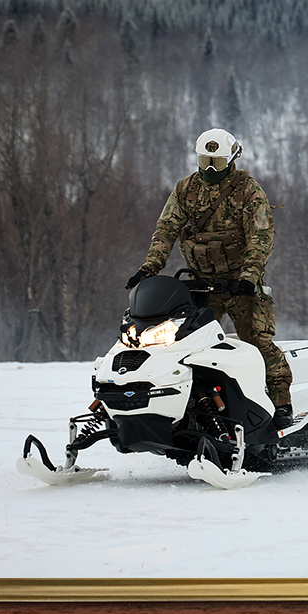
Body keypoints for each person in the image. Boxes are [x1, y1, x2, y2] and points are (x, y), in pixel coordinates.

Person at [125, 127, 293, 429]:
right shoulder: (186, 189)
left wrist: (248, 276)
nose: (210, 169)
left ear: (232, 158)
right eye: (205, 161)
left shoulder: (248, 190)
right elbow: (167, 228)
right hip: (202, 284)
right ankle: (190, 407)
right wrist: (150, 266)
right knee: (181, 344)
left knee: (257, 342)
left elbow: (261, 237)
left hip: (241, 285)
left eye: (217, 162)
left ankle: (282, 404)